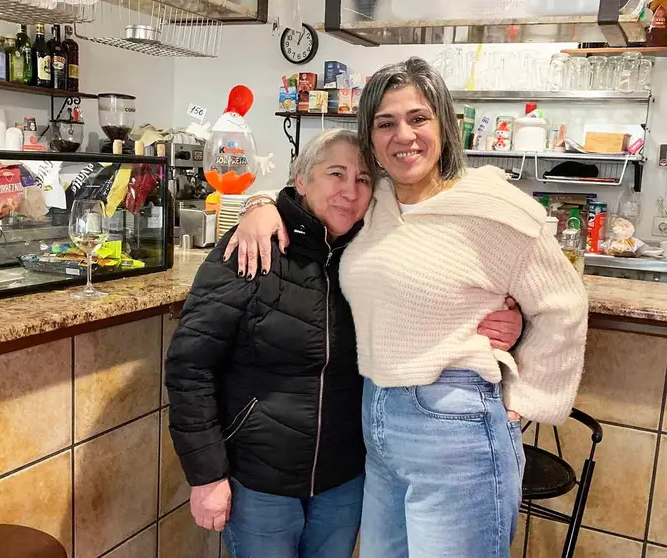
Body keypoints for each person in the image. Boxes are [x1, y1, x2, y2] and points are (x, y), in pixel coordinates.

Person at [226, 57, 589, 558]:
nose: (404, 135)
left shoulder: (493, 206)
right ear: (370, 137)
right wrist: (259, 205)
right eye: (385, 123)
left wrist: (525, 397)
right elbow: (313, 189)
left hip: (456, 427)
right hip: (376, 424)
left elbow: (564, 303)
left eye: (418, 118)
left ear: (444, 124)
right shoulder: (375, 202)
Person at [165, 129, 523, 558]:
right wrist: (207, 476)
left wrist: (510, 322)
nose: (349, 192)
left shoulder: (376, 257)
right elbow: (189, 366)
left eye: (364, 180)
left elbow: (443, 311)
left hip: (345, 478)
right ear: (301, 180)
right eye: (336, 174)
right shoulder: (254, 247)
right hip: (259, 480)